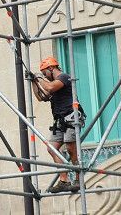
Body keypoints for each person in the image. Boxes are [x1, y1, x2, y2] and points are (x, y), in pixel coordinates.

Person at [30, 55, 82, 193]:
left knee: (71, 148)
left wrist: (38, 77)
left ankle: (78, 179)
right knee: (52, 148)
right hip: (60, 120)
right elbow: (41, 97)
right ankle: (64, 181)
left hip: (71, 117)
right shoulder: (51, 83)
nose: (44, 76)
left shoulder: (63, 77)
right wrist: (34, 82)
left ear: (51, 68)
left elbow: (50, 88)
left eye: (45, 73)